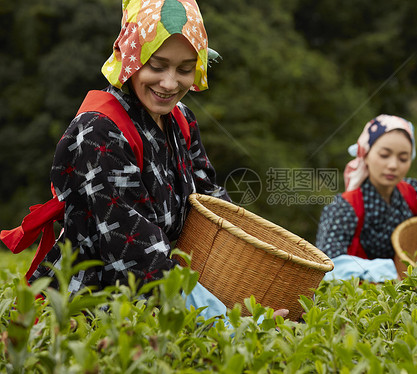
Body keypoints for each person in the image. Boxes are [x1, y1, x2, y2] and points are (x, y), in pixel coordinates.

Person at [1, 0, 287, 319]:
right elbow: (131, 244)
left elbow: (213, 204)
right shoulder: (99, 131)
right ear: (131, 59)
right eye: (157, 65)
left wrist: (248, 270)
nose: (169, 83)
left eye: (184, 69)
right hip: (98, 299)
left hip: (174, 285)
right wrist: (218, 317)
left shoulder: (182, 120)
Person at [316, 115, 417, 282]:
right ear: (366, 154)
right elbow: (326, 264)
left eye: (403, 158)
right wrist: (383, 272)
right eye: (384, 155)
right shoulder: (344, 207)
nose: (393, 165)